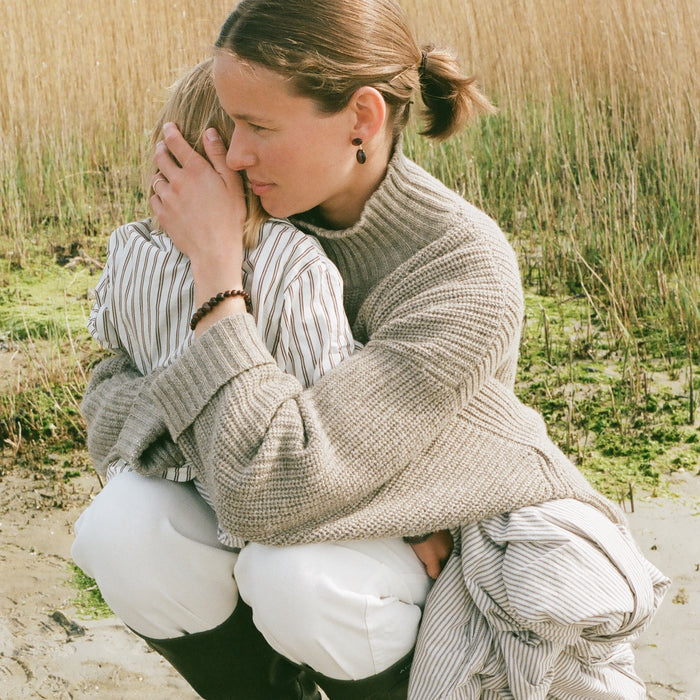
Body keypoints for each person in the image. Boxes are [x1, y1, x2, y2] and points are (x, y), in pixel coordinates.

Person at [71, 1, 669, 699]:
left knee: (300, 577)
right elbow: (107, 402)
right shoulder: (252, 205)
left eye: (260, 127)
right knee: (122, 531)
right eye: (231, 124)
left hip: (424, 559)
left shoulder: (461, 267)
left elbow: (274, 486)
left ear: (361, 118)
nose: (233, 155)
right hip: (331, 509)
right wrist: (277, 449)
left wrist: (217, 278)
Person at [85, 58, 359, 551]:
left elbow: (113, 342)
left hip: (174, 494)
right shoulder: (295, 264)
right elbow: (333, 412)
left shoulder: (128, 250)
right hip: (275, 512)